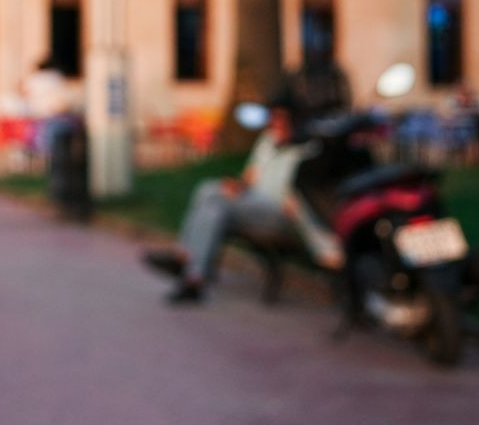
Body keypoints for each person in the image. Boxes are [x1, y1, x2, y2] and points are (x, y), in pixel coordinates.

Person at [141, 101, 341, 304]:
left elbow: (307, 191)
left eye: (282, 120)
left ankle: (183, 258)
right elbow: (251, 176)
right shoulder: (268, 140)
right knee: (213, 209)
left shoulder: (308, 150)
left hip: (280, 213)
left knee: (209, 192)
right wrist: (238, 186)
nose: (276, 125)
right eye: (274, 119)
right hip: (252, 204)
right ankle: (194, 280)